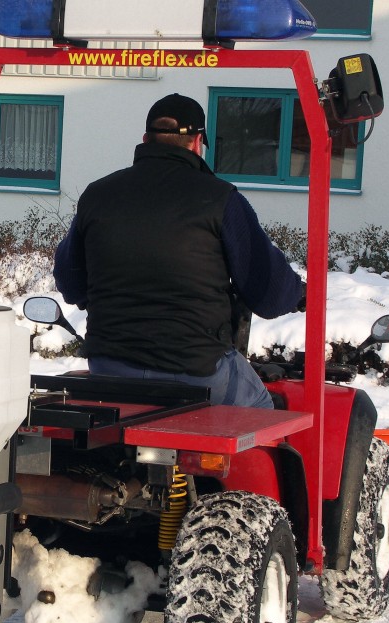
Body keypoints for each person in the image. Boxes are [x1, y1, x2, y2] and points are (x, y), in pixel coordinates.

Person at [53, 93, 305, 409]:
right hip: (196, 371)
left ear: (145, 139)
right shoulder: (220, 200)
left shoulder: (97, 196)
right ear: (197, 143)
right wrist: (298, 294)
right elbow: (270, 293)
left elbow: (70, 282)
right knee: (263, 412)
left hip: (111, 369)